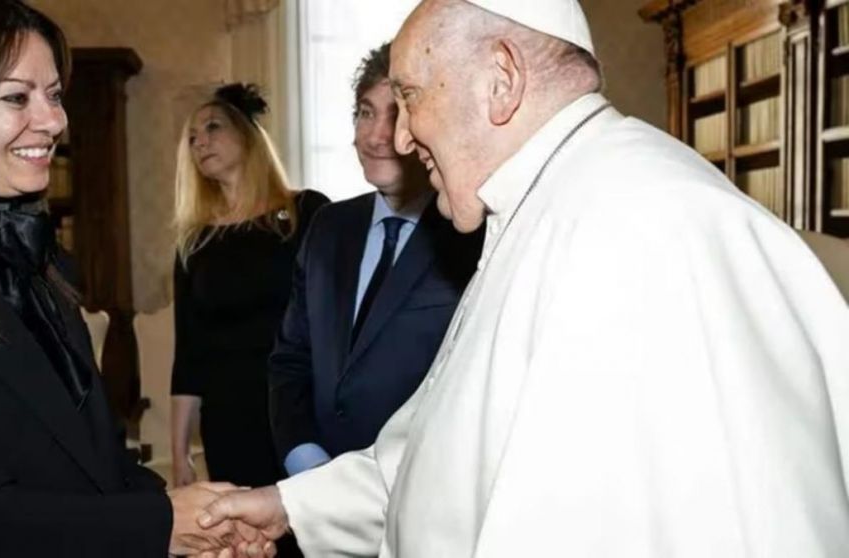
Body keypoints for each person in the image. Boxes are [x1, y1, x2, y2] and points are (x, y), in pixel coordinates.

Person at [197, 0, 849, 556]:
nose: (398, 140)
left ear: (501, 81)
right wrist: (289, 508)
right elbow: (442, 458)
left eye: (411, 97)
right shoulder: (539, 208)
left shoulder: (643, 223)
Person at [0, 1, 268, 556]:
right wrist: (159, 524)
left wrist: (200, 522)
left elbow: (94, 459)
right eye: (16, 97)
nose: (56, 121)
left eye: (53, 95)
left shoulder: (45, 265)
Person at [269, 42, 482, 477]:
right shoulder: (327, 227)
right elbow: (290, 360)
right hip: (316, 500)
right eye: (366, 113)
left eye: (396, 114)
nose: (377, 136)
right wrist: (308, 463)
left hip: (423, 493)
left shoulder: (471, 234)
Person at [168, 84, 329, 490]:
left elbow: (340, 318)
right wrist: (180, 454)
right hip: (228, 417)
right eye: (192, 139)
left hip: (299, 405)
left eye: (212, 128)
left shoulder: (306, 213)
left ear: (248, 134)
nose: (200, 143)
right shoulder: (194, 243)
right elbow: (188, 355)